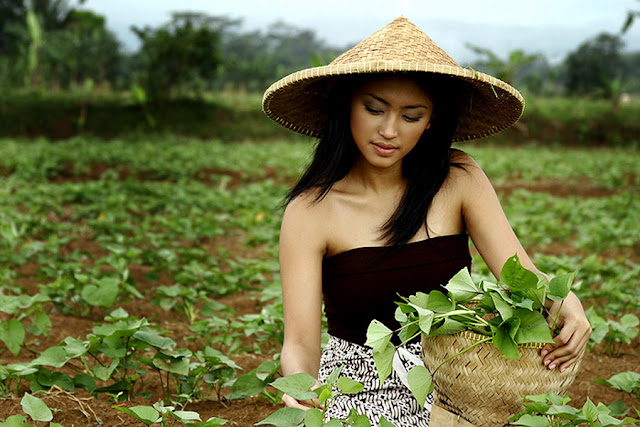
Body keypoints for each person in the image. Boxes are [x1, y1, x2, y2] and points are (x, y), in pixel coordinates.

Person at [262, 16, 591, 426]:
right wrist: (300, 386)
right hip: (358, 388)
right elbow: (299, 343)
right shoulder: (311, 210)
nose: (388, 130)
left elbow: (521, 275)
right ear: (346, 103)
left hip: (459, 378)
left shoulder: (458, 178)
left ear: (432, 119)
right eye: (374, 109)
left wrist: (567, 303)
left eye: (411, 116)